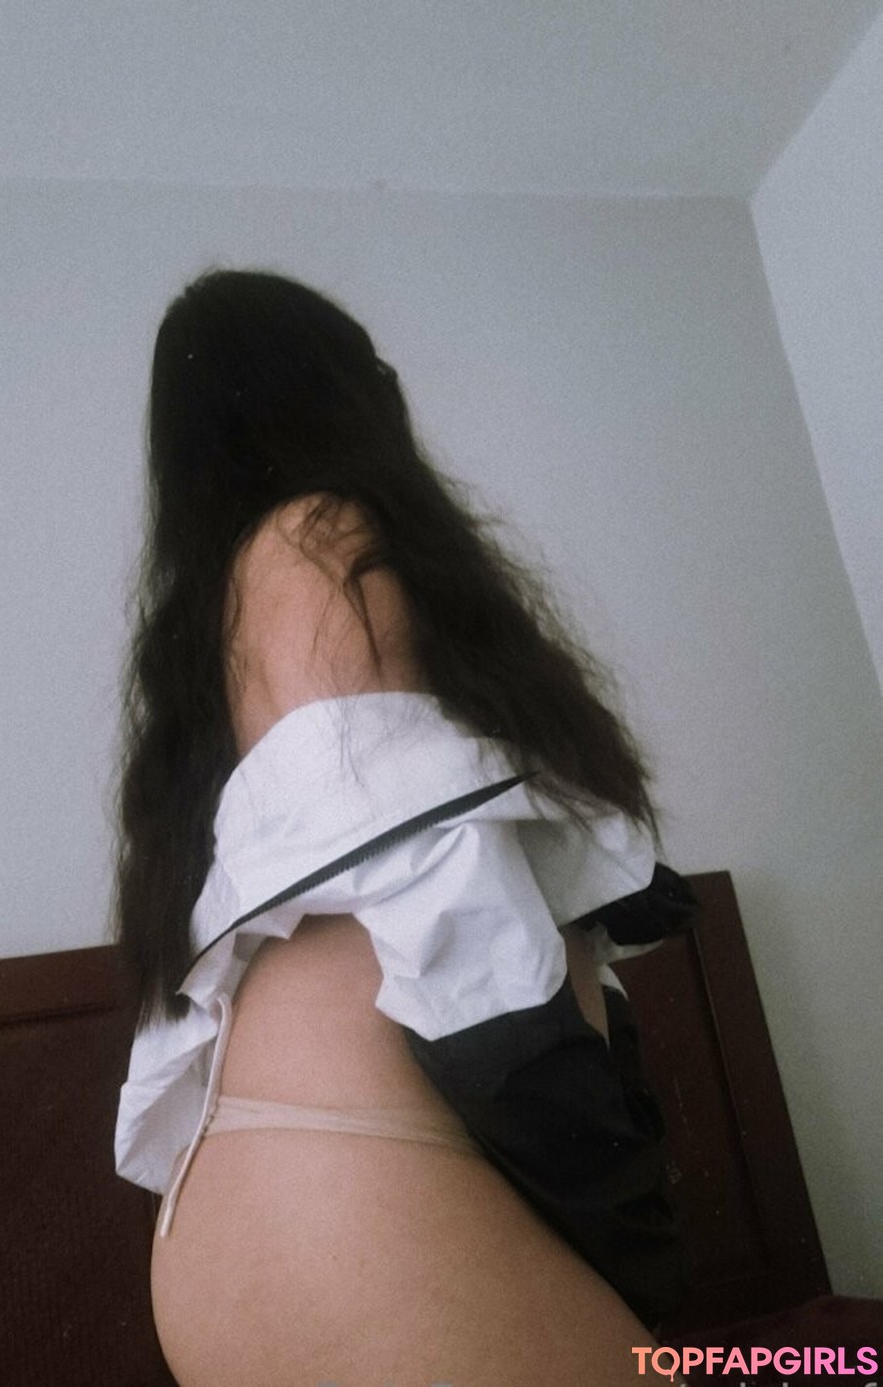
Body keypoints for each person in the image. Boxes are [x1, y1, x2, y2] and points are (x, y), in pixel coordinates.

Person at [112, 268, 696, 1385]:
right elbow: (448, 902)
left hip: (288, 1219)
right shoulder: (322, 542)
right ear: (335, 391)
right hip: (370, 1203)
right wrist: (625, 1231)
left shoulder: (218, 627)